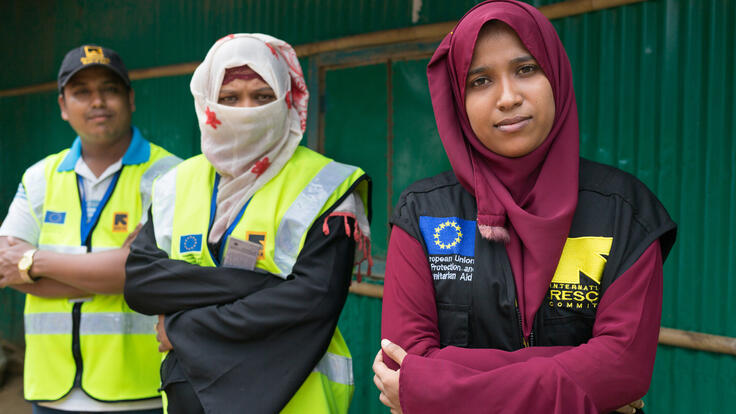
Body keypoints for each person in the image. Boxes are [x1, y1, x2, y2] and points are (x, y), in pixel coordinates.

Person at [372, 1, 677, 413]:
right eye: (480, 81)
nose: (508, 97)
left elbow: (624, 368)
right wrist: (581, 377)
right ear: (457, 101)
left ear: (556, 75)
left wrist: (436, 386)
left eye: (526, 69)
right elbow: (400, 363)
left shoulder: (625, 212)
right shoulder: (423, 214)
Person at [123, 33, 371, 414]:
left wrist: (180, 327)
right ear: (206, 102)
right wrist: (263, 285)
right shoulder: (175, 183)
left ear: (286, 101)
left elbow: (312, 302)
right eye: (229, 98)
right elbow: (141, 283)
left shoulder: (325, 186)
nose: (246, 110)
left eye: (261, 96)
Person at [0, 45, 180, 413]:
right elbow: (4, 267)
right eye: (82, 92)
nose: (97, 101)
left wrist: (32, 260)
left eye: (109, 89)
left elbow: (138, 271)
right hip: (52, 393)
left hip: (138, 391)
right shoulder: (39, 177)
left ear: (130, 99)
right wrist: (112, 270)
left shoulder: (170, 176)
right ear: (63, 106)